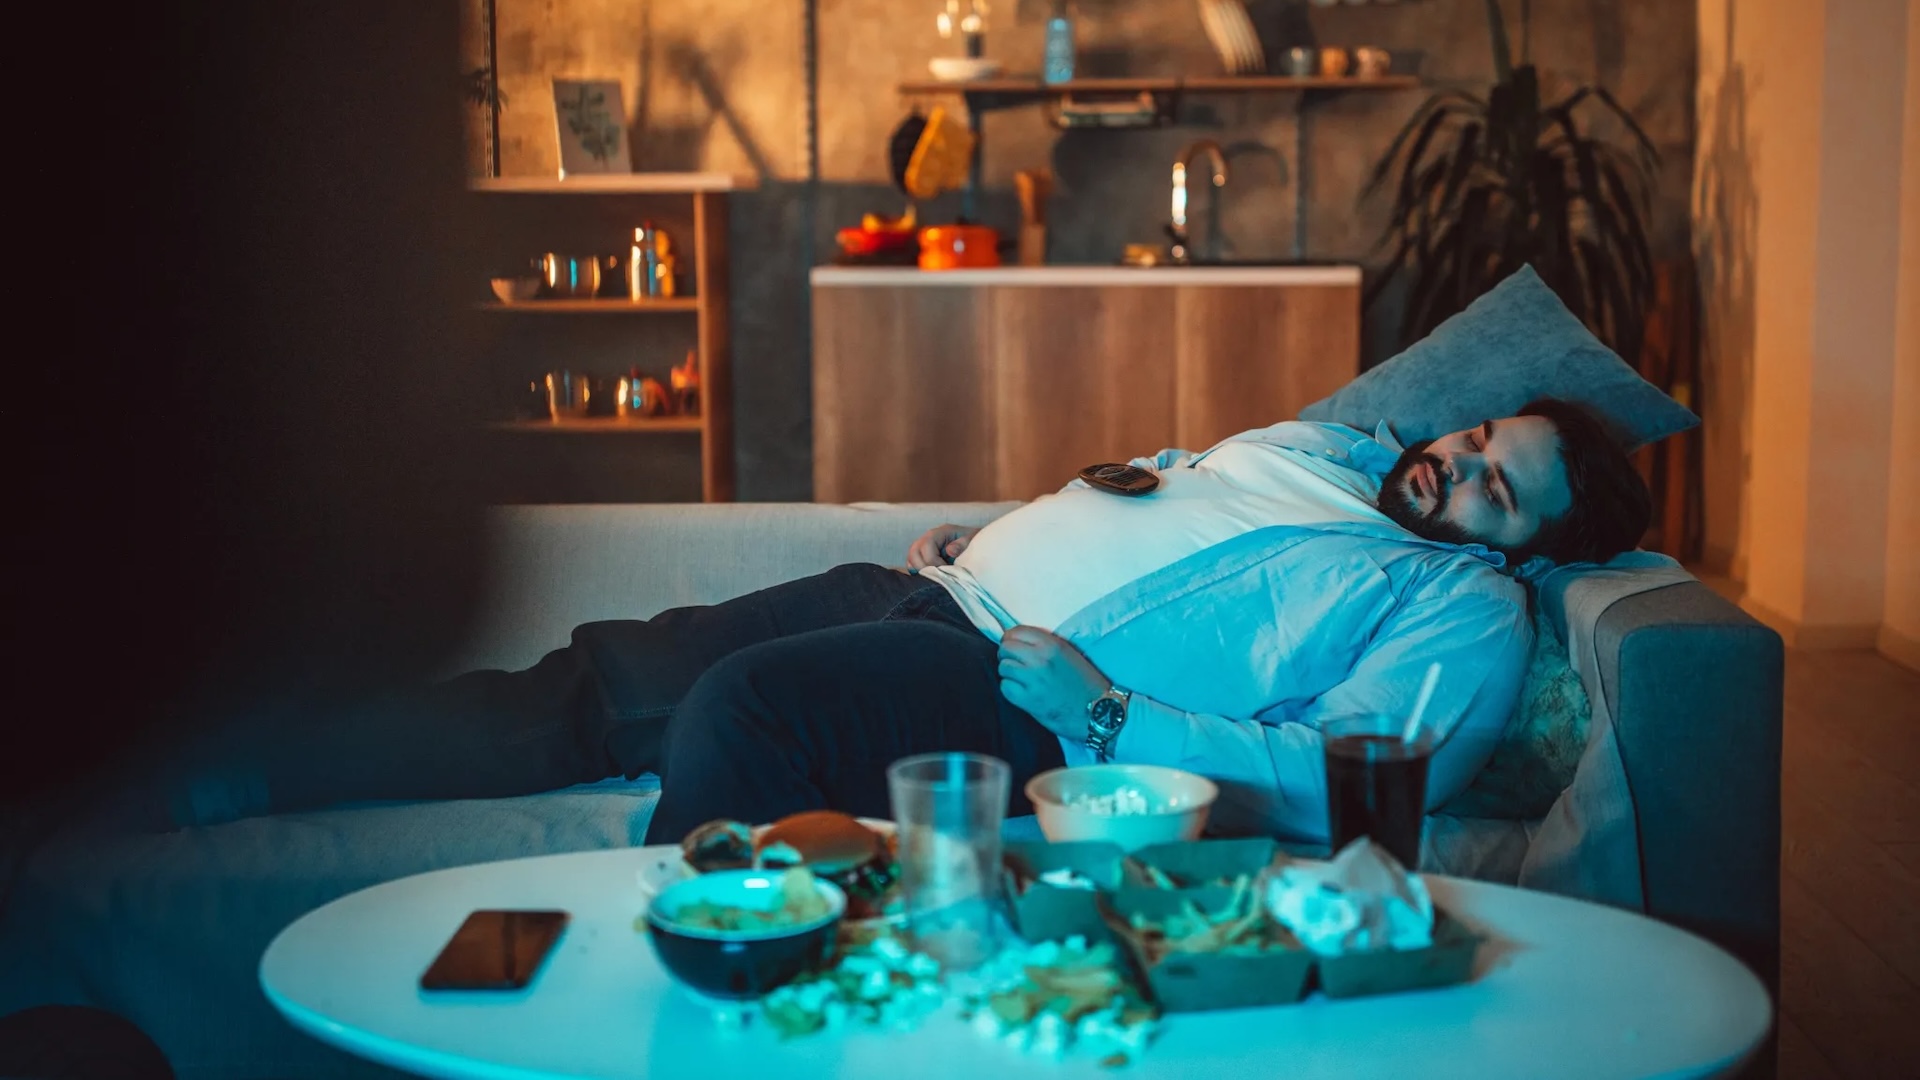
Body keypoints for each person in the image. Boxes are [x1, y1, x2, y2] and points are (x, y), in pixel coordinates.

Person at [145, 398, 1650, 849]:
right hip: (933, 587)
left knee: (741, 709)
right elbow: (1160, 514)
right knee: (602, 678)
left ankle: (686, 986)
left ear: (1525, 552)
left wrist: (1109, 720)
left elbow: (1367, 770)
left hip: (1017, 696)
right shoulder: (1322, 452)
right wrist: (995, 533)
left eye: (1498, 496)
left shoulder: (1456, 607)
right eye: (1476, 444)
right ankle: (257, 758)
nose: (1456, 475)